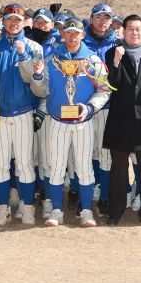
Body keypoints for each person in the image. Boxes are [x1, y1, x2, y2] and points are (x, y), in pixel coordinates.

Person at [43, 18, 110, 227]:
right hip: (57, 121)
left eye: (76, 33)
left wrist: (90, 107)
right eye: (68, 33)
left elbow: (104, 89)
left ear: (83, 35)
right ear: (63, 34)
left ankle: (86, 211)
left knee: (84, 167)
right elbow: (41, 89)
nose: (72, 37)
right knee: (56, 167)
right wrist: (36, 77)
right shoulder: (51, 58)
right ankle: (56, 211)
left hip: (83, 122)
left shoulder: (92, 60)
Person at [0, 3, 48, 225]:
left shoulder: (34, 47)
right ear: (2, 21)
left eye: (18, 19)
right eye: (9, 19)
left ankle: (28, 208)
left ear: (25, 22)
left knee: (24, 163)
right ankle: (3, 208)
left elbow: (40, 87)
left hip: (23, 112)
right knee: (1, 164)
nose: (14, 23)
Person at [103, 15, 141, 225]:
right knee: (118, 169)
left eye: (138, 29)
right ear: (123, 31)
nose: (134, 33)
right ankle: (115, 210)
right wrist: (117, 62)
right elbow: (112, 85)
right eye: (130, 29)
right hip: (120, 120)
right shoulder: (113, 53)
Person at [82, 3, 119, 216]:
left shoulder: (117, 44)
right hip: (81, 107)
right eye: (99, 16)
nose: (102, 21)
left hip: (106, 106)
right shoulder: (80, 41)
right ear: (92, 18)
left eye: (107, 17)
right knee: (84, 154)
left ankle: (104, 196)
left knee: (104, 154)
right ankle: (84, 194)